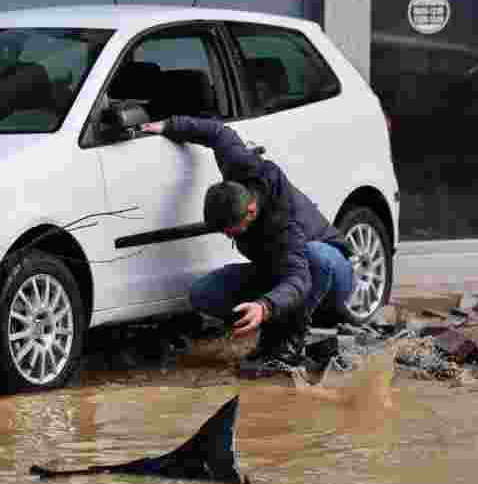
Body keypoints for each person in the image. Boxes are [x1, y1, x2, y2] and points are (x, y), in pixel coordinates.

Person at [140, 115, 355, 366]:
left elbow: (298, 278)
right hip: (279, 270)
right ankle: (267, 322)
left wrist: (266, 306)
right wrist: (169, 126)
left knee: (315, 256)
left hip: (330, 275)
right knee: (203, 293)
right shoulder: (239, 167)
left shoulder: (283, 221)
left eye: (231, 231)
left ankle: (292, 335)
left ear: (251, 211)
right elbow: (218, 133)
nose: (228, 236)